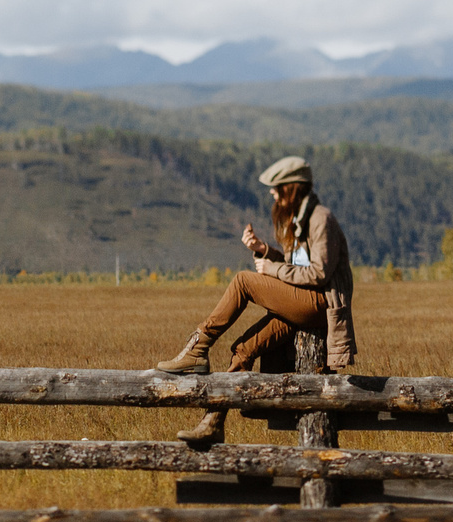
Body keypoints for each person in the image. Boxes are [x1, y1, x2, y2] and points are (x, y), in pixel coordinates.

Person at [151, 155, 356, 444]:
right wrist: (264, 250)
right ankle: (214, 421)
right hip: (303, 301)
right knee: (243, 348)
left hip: (319, 304)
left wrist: (271, 268)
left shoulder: (320, 218)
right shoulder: (302, 217)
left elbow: (319, 273)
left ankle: (199, 345)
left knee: (243, 281)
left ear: (292, 188)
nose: (273, 194)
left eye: (277, 188)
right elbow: (295, 265)